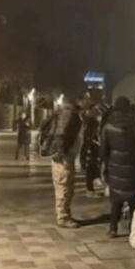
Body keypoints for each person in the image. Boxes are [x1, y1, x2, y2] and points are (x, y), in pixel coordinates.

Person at [101, 96, 135, 238]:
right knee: (133, 199)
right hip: (134, 167)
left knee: (116, 199)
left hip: (115, 168)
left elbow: (103, 150)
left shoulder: (108, 126)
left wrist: (106, 165)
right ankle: (132, 228)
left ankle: (113, 228)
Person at [49, 95, 90, 229]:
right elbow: (60, 134)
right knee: (64, 186)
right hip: (63, 157)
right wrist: (61, 153)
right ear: (78, 99)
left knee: (67, 187)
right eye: (86, 98)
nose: (88, 101)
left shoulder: (73, 113)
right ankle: (63, 218)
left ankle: (65, 214)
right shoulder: (68, 113)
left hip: (66, 156)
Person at [80, 104, 102, 198]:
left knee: (91, 171)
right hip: (91, 154)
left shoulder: (88, 127)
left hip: (90, 154)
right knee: (91, 171)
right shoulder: (91, 128)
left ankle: (90, 189)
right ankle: (90, 190)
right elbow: (90, 142)